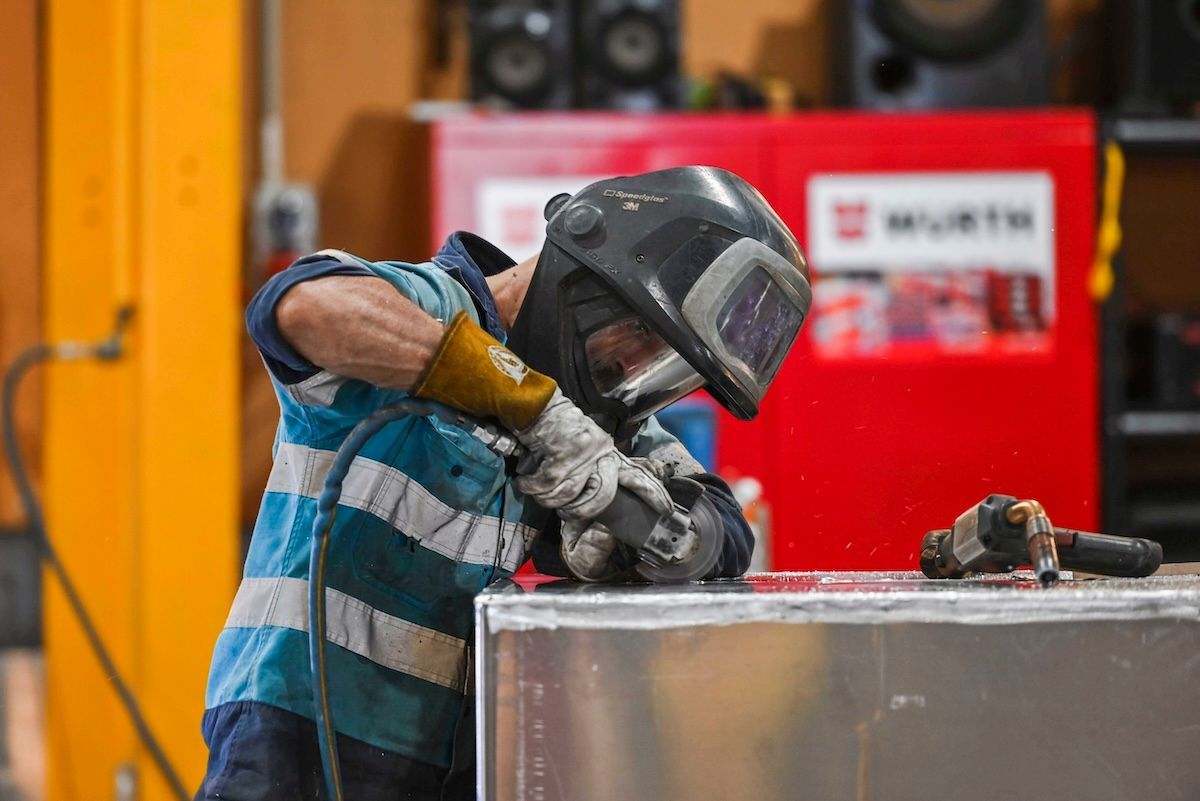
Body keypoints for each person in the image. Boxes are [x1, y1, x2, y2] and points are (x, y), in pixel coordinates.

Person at [195, 166, 812, 800]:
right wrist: (526, 406)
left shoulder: (599, 413)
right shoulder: (436, 304)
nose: (634, 373)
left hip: (448, 755)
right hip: (296, 733)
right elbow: (302, 304)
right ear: (589, 282)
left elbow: (718, 519)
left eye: (664, 367)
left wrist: (645, 535)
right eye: (642, 341)